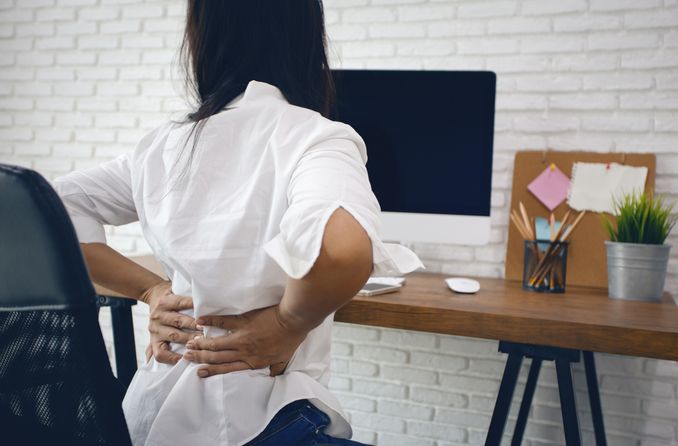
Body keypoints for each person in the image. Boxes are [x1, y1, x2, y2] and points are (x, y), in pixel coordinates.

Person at [53, 1, 423, 445]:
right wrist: (288, 323)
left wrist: (150, 290)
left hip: (149, 418)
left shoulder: (162, 146)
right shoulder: (315, 138)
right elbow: (343, 251)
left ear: (201, 39)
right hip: (265, 418)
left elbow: (53, 208)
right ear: (307, 39)